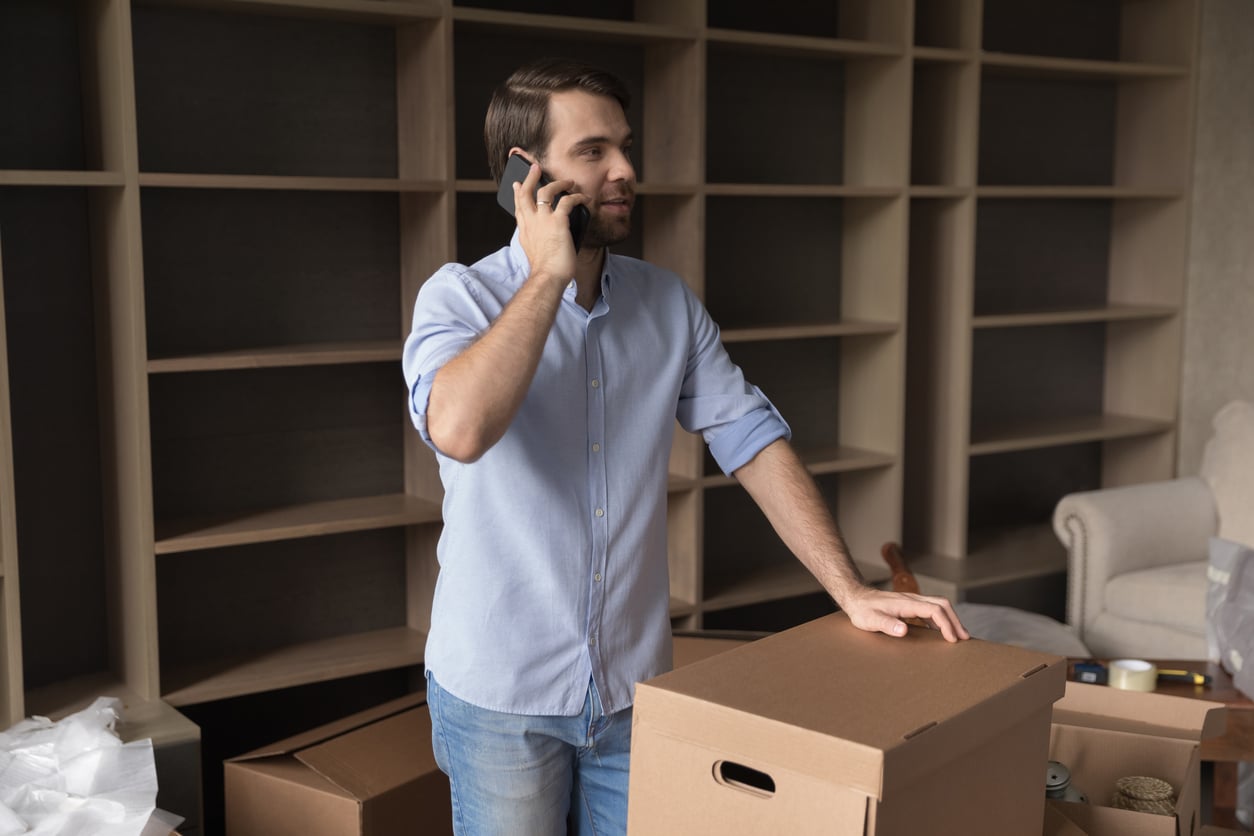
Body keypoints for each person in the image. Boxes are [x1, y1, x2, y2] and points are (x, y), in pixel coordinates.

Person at [402, 58, 969, 836]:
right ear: (522, 176)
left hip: (636, 690)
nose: (627, 171)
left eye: (626, 147)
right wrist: (545, 279)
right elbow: (461, 430)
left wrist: (849, 589)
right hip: (501, 697)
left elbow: (752, 441)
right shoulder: (458, 298)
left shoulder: (667, 303)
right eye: (594, 151)